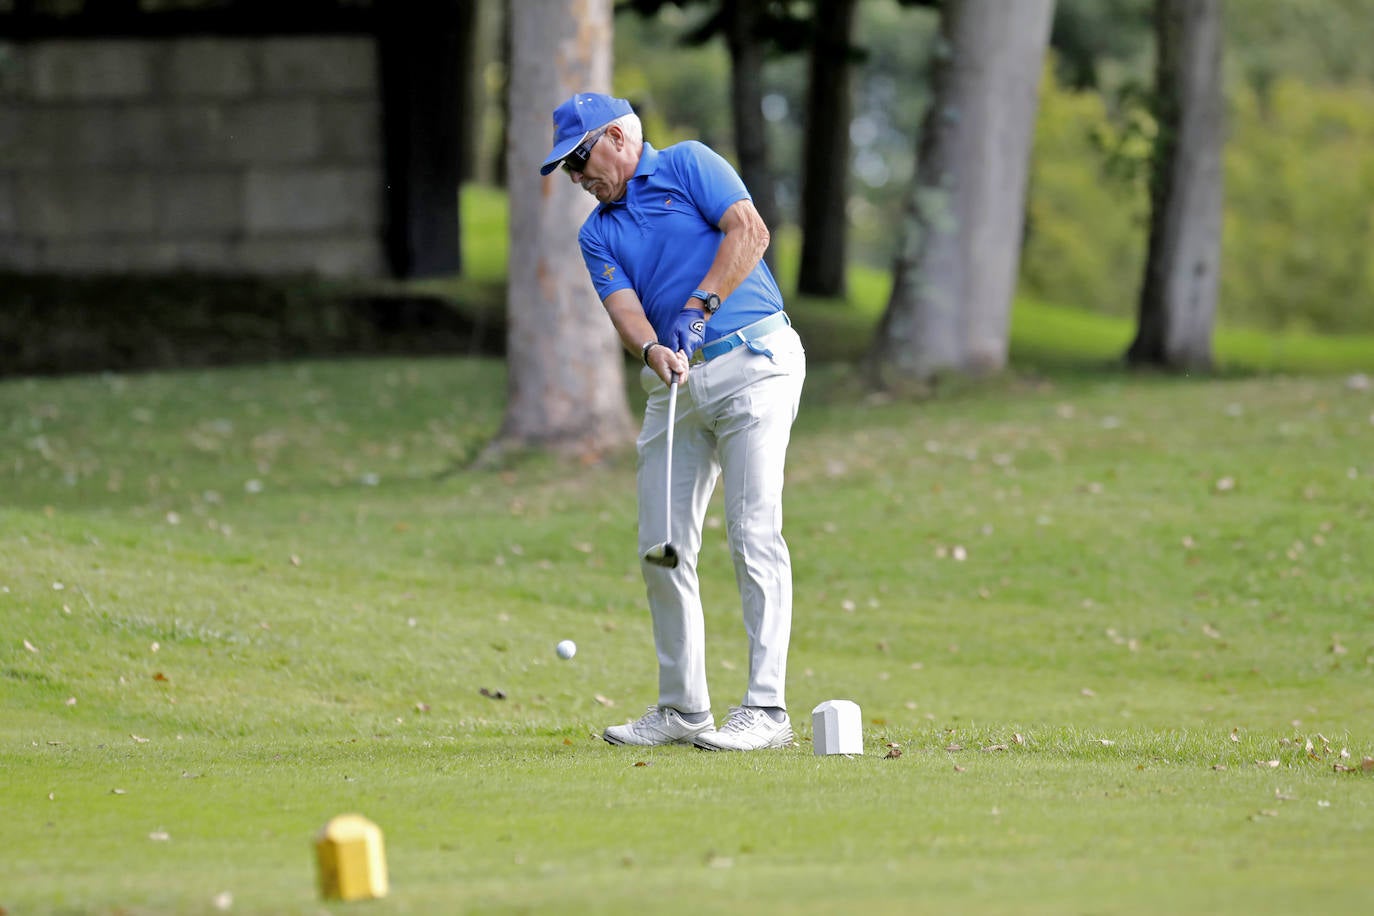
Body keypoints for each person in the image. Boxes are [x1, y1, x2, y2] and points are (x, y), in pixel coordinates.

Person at [539, 92, 806, 752]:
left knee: (752, 530)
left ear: (618, 140)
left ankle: (766, 710)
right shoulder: (595, 231)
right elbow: (625, 310)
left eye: (578, 160)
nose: (576, 178)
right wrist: (653, 347)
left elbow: (750, 231)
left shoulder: (688, 164)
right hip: (677, 382)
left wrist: (697, 308)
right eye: (567, 170)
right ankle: (683, 708)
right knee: (662, 544)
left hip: (755, 362)